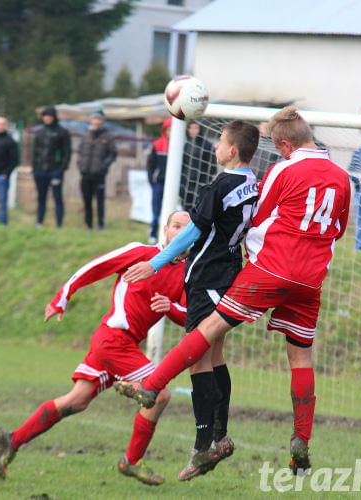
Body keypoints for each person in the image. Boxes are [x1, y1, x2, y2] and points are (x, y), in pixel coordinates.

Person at [116, 107, 351, 476]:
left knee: (207, 333)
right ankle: (300, 437)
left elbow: (258, 217)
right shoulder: (341, 177)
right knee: (301, 358)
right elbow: (337, 229)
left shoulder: (281, 170)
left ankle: (153, 385)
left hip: (268, 269)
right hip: (311, 278)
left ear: (285, 145)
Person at [0, 211, 191, 485]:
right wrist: (62, 296)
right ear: (165, 229)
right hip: (113, 339)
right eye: (176, 226)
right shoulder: (140, 252)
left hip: (121, 345)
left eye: (188, 228)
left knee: (76, 401)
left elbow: (186, 314)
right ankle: (132, 460)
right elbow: (96, 266)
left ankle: (12, 439)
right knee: (159, 395)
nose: (181, 232)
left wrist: (171, 308)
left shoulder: (187, 273)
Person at [123, 120, 259, 480]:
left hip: (207, 276)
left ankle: (203, 447)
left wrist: (154, 263)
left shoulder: (221, 184)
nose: (215, 147)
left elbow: (192, 234)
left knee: (198, 358)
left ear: (232, 150)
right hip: (229, 273)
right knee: (214, 355)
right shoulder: (252, 184)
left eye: (220, 142)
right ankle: (221, 437)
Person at [77, 110, 117, 231]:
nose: (96, 121)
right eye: (95, 118)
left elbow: (113, 153)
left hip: (99, 174)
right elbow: (80, 152)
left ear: (102, 121)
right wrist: (81, 165)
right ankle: (88, 224)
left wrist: (103, 165)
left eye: (99, 119)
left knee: (99, 201)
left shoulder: (107, 136)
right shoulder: (86, 134)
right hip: (85, 173)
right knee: (87, 200)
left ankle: (100, 224)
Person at [32, 106, 71, 228]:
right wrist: (34, 168)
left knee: (57, 197)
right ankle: (39, 222)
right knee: (41, 197)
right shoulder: (39, 132)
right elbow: (35, 151)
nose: (47, 118)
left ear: (54, 117)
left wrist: (61, 168)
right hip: (40, 170)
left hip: (55, 170)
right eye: (45, 116)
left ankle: (59, 224)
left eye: (49, 116)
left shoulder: (62, 132)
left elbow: (67, 152)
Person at [180, 121, 216, 211]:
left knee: (197, 208)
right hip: (186, 183)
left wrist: (205, 180)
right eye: (191, 128)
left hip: (200, 183)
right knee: (185, 208)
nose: (193, 130)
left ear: (200, 129)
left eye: (195, 128)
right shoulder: (185, 145)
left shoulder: (207, 145)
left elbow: (212, 165)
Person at [147, 118, 171, 242]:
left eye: (172, 130)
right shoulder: (156, 145)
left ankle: (167, 235)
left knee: (169, 211)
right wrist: (152, 180)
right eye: (168, 130)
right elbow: (150, 165)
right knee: (156, 210)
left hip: (171, 185)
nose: (170, 132)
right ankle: (152, 233)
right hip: (158, 183)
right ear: (164, 131)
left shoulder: (180, 146)